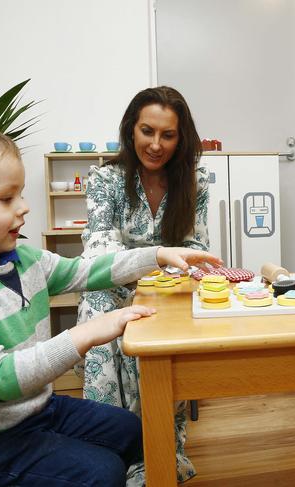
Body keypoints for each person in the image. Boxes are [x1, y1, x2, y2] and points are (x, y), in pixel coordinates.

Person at [0, 118, 221, 487]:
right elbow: (3, 379)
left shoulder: (24, 260)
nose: (23, 207)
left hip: (34, 413)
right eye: (6, 198)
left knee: (132, 430)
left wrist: (158, 254)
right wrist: (86, 333)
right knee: (100, 473)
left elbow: (89, 271)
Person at [75, 85, 209, 484]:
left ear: (181, 138)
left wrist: (159, 278)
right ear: (131, 130)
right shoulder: (104, 179)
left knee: (165, 322)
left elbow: (196, 246)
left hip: (167, 287)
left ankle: (160, 452)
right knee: (98, 304)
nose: (156, 144)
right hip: (112, 287)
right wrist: (153, 263)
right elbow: (98, 250)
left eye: (168, 135)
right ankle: (113, 449)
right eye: (147, 131)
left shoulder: (194, 181)